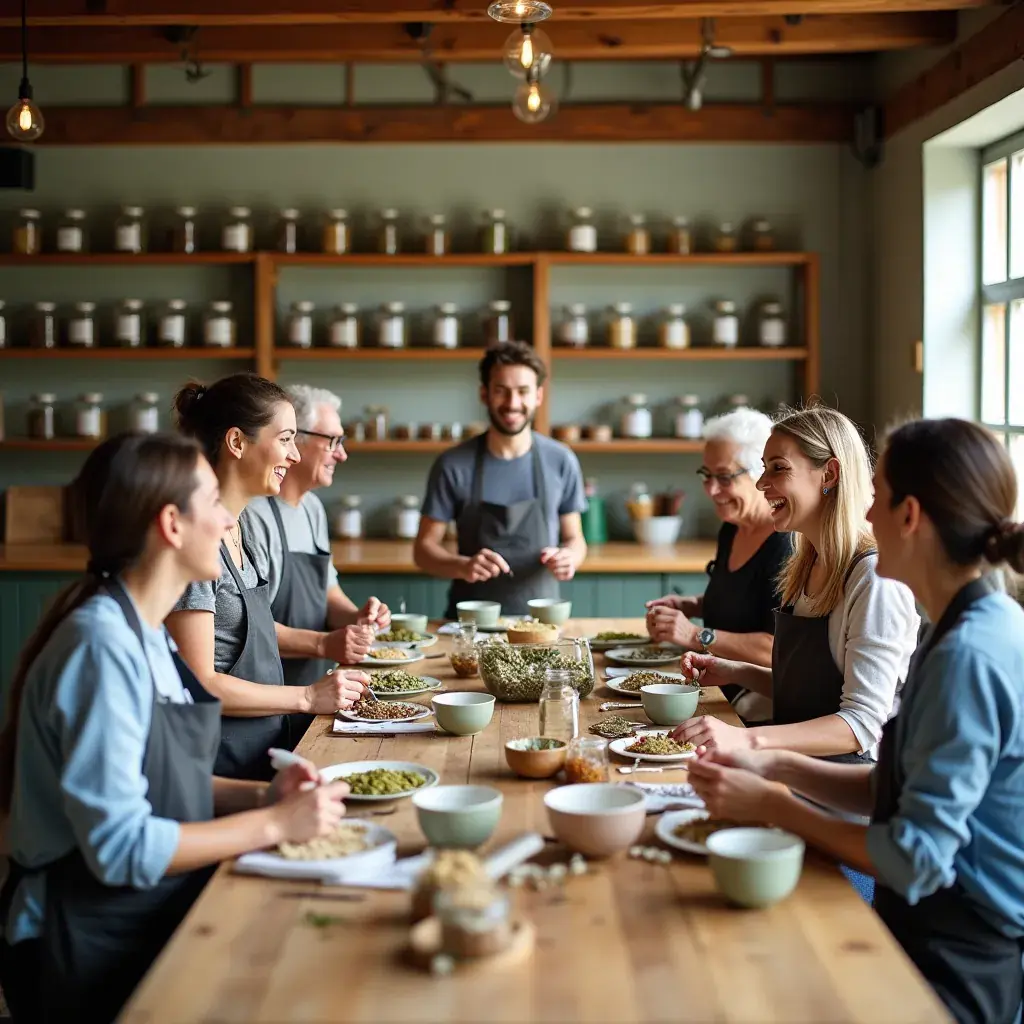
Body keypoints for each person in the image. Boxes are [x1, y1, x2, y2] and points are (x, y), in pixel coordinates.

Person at [0, 433, 352, 1024]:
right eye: (214, 501)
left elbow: (161, 780)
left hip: (146, 912)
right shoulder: (99, 647)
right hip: (84, 941)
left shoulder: (144, 631)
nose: (227, 520)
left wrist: (268, 793)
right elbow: (121, 848)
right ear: (171, 524)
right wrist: (270, 823)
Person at [686, 417, 1024, 1024]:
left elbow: (914, 858)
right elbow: (892, 788)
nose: (867, 518)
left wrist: (775, 799)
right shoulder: (968, 625)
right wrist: (769, 765)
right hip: (922, 930)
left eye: (880, 500)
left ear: (911, 516)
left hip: (952, 962)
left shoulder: (966, 656)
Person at [673, 405, 919, 763]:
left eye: (778, 468)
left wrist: (746, 740)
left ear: (829, 474)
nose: (761, 483)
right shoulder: (807, 563)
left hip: (846, 786)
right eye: (763, 467)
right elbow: (812, 695)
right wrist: (736, 671)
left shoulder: (874, 580)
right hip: (795, 768)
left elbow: (860, 725)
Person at [166, 374, 365, 781]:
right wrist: (308, 696)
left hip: (261, 745)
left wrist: (326, 645)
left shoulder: (243, 530)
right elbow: (200, 681)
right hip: (216, 760)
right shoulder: (198, 543)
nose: (294, 456)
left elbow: (250, 628)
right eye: (286, 439)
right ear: (237, 442)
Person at [248, 384, 390, 747]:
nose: (341, 455)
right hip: (269, 695)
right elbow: (250, 630)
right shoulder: (251, 516)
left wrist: (359, 619)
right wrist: (326, 643)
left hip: (316, 692)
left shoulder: (312, 509)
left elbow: (329, 597)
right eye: (333, 441)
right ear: (295, 439)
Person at [414, 342, 588, 618]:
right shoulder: (453, 464)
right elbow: (423, 551)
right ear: (484, 394)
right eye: (501, 391)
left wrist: (570, 558)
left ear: (539, 396)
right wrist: (463, 566)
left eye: (523, 392)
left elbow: (575, 539)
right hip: (470, 627)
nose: (512, 403)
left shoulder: (561, 460)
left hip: (542, 625)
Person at [644, 407, 792, 722]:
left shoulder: (786, 543)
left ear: (760, 473)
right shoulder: (732, 527)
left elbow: (776, 647)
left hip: (757, 704)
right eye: (706, 475)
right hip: (717, 683)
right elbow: (742, 604)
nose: (711, 490)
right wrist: (691, 605)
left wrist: (697, 635)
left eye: (724, 477)